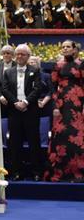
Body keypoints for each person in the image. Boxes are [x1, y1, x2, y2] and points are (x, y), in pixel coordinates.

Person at [2, 44, 43, 181]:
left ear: (28, 56)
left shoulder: (35, 70)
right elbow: (5, 89)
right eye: (17, 54)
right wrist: (15, 102)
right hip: (14, 112)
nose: (19, 56)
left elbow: (37, 89)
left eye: (23, 54)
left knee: (34, 142)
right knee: (15, 143)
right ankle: (16, 172)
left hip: (30, 111)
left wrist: (25, 102)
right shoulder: (8, 72)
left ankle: (36, 172)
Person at [45, 40, 84, 182]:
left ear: (74, 49)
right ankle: (60, 172)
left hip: (78, 104)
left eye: (68, 47)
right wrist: (55, 106)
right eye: (63, 47)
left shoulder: (81, 64)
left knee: (77, 136)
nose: (65, 49)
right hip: (61, 105)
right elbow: (52, 87)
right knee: (61, 136)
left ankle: (77, 172)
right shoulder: (58, 65)